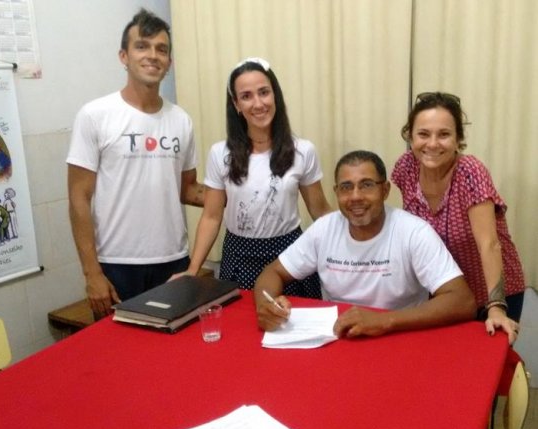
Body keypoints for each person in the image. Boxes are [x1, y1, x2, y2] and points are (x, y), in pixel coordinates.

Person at [67, 9, 204, 317]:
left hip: (173, 261)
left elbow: (189, 190)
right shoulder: (95, 115)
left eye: (162, 49)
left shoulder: (181, 120)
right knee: (119, 360)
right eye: (142, 46)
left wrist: (237, 192)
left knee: (173, 356)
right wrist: (92, 274)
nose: (153, 55)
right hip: (116, 265)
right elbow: (79, 198)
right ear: (124, 56)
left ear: (169, 62)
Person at [254, 150, 479, 338]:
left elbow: (462, 300)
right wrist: (266, 306)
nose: (355, 197)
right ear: (336, 193)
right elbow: (273, 272)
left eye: (367, 185)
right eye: (346, 187)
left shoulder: (413, 232)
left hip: (399, 337)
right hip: (339, 338)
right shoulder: (325, 228)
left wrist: (384, 320)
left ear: (385, 190)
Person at [174, 58, 331, 298]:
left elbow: (320, 211)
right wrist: (193, 269)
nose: (258, 103)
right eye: (246, 96)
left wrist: (358, 243)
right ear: (236, 104)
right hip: (238, 256)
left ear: (275, 96)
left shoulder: (303, 150)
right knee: (241, 330)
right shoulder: (220, 153)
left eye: (264, 92)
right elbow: (211, 216)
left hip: (288, 257)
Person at [391, 92, 524, 344]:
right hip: (445, 291)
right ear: (410, 136)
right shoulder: (405, 168)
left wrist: (496, 306)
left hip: (490, 289)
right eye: (423, 134)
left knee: (486, 366)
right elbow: (412, 232)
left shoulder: (470, 172)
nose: (432, 143)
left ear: (458, 139)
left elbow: (489, 244)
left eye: (443, 134)